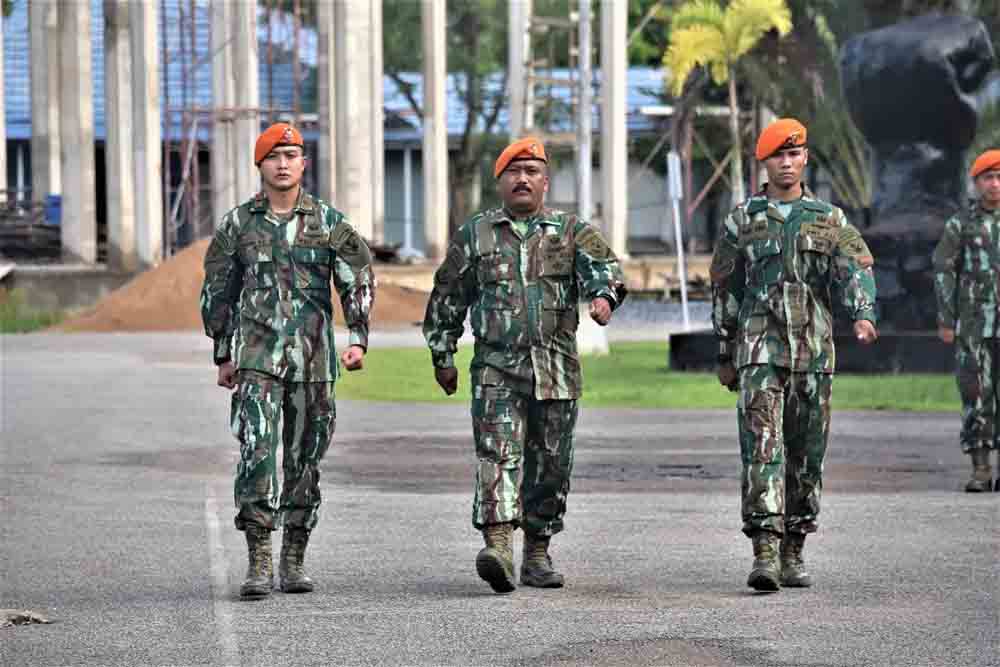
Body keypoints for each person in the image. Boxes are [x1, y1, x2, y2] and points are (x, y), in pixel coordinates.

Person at [423, 137, 627, 593]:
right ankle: (498, 546)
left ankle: (537, 550)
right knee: (498, 455)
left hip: (556, 369)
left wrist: (602, 297)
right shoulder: (476, 233)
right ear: (500, 181)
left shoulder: (572, 231)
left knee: (550, 463)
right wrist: (443, 353)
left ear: (545, 181)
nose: (523, 179)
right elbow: (447, 297)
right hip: (497, 368)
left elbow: (607, 271)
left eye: (532, 172)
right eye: (514, 172)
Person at [200, 122, 375, 599]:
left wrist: (358, 335)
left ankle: (293, 557)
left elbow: (356, 278)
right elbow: (219, 288)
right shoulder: (238, 224)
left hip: (314, 363)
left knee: (305, 462)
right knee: (257, 453)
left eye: (291, 156)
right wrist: (223, 351)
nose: (283, 164)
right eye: (273, 156)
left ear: (303, 164)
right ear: (260, 165)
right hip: (256, 358)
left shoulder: (329, 222)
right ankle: (258, 557)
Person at [709, 118, 878, 592]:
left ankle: (794, 547)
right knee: (761, 448)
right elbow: (725, 287)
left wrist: (862, 314)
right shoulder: (741, 220)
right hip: (758, 349)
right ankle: (764, 548)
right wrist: (725, 350)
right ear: (763, 162)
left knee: (806, 454)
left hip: (814, 352)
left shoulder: (830, 219)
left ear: (805, 159)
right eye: (777, 156)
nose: (786, 163)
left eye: (794, 154)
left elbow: (856, 269)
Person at [932, 148, 1000, 493]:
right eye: (988, 177)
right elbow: (944, 271)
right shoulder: (961, 224)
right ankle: (981, 468)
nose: (995, 184)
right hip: (974, 325)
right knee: (976, 393)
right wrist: (947, 318)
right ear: (976, 182)